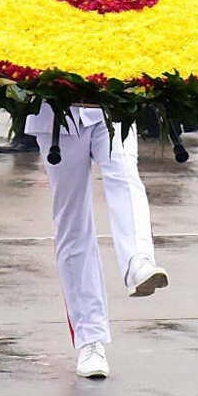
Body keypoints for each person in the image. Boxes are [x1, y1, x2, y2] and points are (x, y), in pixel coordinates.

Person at [25, 104, 169, 380]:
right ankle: (90, 339)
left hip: (112, 103)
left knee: (125, 175)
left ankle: (139, 260)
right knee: (73, 222)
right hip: (58, 111)